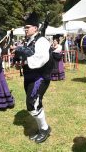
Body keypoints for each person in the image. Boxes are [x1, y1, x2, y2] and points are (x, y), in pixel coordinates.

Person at [14, 12, 53, 143]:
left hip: (40, 77)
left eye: (28, 27)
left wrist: (25, 61)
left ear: (36, 28)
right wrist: (19, 62)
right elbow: (26, 57)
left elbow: (41, 59)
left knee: (32, 104)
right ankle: (43, 128)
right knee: (35, 102)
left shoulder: (41, 41)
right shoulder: (28, 41)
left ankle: (45, 129)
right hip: (29, 77)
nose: (25, 29)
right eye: (25, 27)